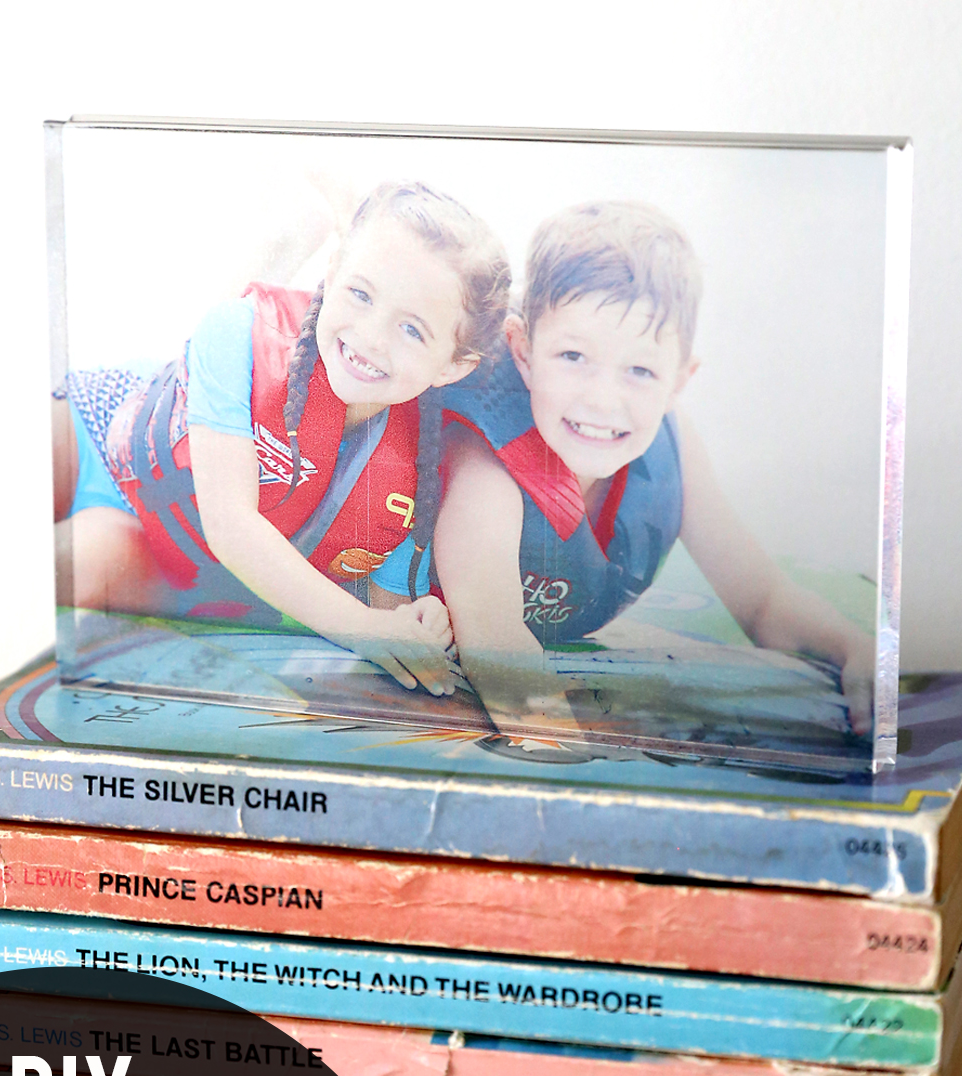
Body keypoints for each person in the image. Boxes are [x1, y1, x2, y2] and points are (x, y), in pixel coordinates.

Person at [374, 199, 875, 738]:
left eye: (639, 369)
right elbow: (496, 647)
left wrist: (856, 648)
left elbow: (764, 600)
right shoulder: (486, 464)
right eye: (573, 357)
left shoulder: (672, 448)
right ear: (523, 350)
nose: (602, 401)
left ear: (679, 380)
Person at [53, 181, 510, 697]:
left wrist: (418, 627)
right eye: (360, 294)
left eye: (413, 330)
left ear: (454, 365)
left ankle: (311, 226)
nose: (371, 336)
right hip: (107, 425)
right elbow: (232, 524)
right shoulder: (236, 331)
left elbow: (389, 614)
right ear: (332, 274)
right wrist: (364, 631)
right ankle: (300, 225)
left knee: (71, 567)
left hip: (162, 550)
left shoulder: (422, 467)